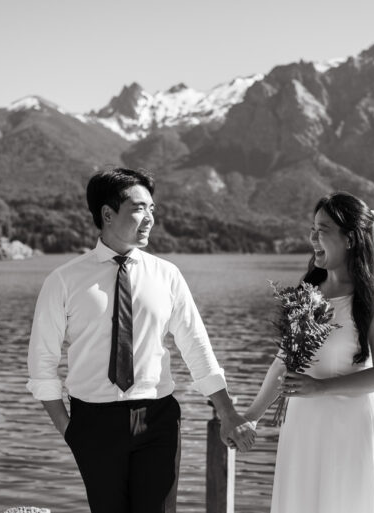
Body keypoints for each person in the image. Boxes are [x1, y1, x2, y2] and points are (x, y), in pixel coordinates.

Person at [26, 168, 256, 513]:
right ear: (107, 214)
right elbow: (42, 366)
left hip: (157, 417)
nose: (149, 218)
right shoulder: (63, 281)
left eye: (152, 209)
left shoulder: (167, 275)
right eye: (139, 209)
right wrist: (70, 430)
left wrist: (226, 411)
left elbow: (195, 345)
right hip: (93, 423)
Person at [244, 192, 374, 513]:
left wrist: (321, 388)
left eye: (323, 229)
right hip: (302, 425)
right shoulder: (307, 292)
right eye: (312, 228)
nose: (313, 237)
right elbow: (282, 362)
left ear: (350, 239)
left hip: (349, 428)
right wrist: (251, 417)